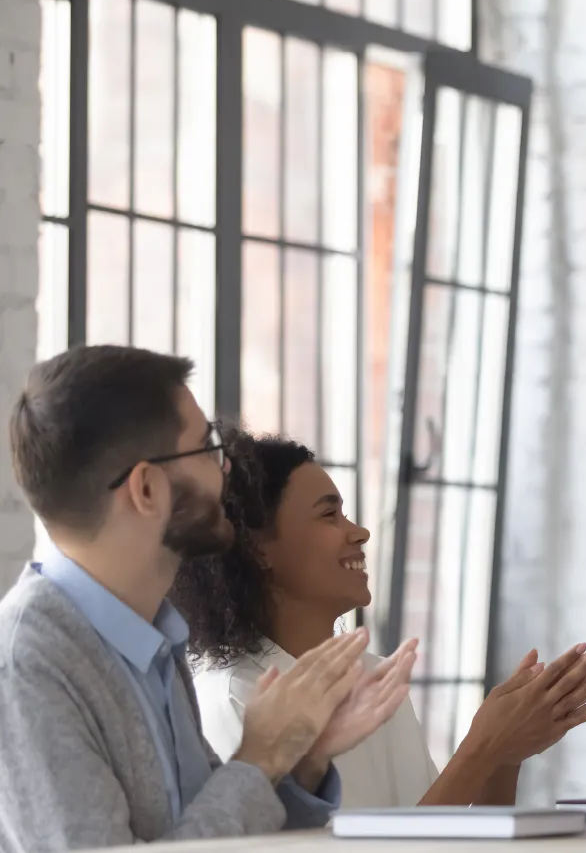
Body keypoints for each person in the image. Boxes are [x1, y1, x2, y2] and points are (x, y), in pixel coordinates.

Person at [0, 345, 412, 851]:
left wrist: (301, 760)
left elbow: (215, 829)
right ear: (147, 490)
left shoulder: (153, 638)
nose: (225, 473)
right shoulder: (28, 663)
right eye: (207, 449)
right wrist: (259, 759)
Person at [172, 430, 586, 809]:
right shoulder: (234, 700)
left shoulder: (374, 680)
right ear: (257, 548)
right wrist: (482, 749)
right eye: (329, 514)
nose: (359, 532)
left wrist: (505, 754)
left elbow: (442, 841)